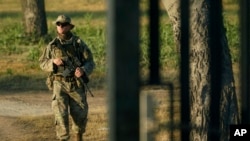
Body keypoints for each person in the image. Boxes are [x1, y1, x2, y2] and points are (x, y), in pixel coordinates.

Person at [39, 14, 95, 141]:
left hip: (76, 84)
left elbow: (90, 62)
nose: (60, 27)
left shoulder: (78, 44)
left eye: (63, 24)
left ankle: (78, 137)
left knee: (80, 115)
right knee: (60, 116)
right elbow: (42, 62)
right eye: (58, 24)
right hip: (59, 83)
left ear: (69, 26)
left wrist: (83, 70)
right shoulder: (52, 45)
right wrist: (53, 62)